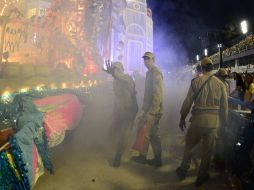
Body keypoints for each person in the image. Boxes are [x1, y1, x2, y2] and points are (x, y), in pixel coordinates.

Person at [176, 58, 228, 186]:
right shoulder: (220, 84)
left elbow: (188, 101)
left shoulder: (196, 82)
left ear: (202, 68)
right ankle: (201, 177)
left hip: (198, 120)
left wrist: (182, 117)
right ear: (212, 67)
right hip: (213, 122)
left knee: (189, 145)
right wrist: (224, 124)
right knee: (207, 151)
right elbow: (224, 107)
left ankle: (183, 169)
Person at [131, 52, 164, 167]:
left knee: (146, 133)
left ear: (153, 60)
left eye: (148, 59)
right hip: (151, 110)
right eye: (144, 59)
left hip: (153, 111)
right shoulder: (150, 73)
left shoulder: (155, 73)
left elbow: (157, 95)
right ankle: (157, 159)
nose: (146, 61)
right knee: (153, 134)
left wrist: (151, 112)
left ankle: (143, 157)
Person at [103, 61, 138, 167]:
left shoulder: (127, 78)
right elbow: (117, 98)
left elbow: (120, 77)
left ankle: (118, 158)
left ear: (121, 70)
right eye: (114, 69)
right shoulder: (116, 81)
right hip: (119, 111)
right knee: (112, 131)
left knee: (124, 135)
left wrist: (113, 73)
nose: (115, 71)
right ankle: (113, 149)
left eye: (117, 69)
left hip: (128, 111)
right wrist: (115, 112)